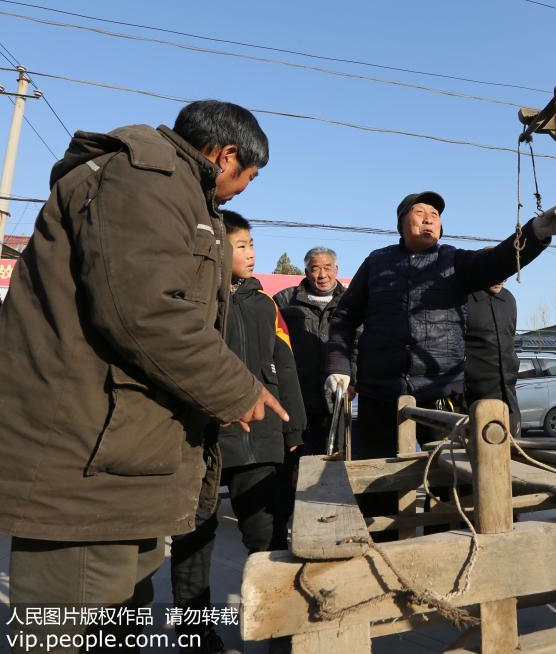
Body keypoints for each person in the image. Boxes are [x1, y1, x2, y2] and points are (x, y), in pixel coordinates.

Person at [0, 101, 287, 647]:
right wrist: (237, 388)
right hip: (88, 462)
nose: (242, 192)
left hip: (125, 455)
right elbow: (144, 310)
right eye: (248, 178)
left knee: (122, 613)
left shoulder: (174, 186)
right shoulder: (144, 176)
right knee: (71, 623)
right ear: (226, 155)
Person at [325, 191, 556, 531]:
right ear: (400, 223)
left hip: (441, 398)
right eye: (420, 212)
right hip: (380, 397)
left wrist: (534, 234)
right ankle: (382, 563)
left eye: (435, 215)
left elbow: (496, 261)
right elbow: (345, 316)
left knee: (452, 490)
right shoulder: (377, 262)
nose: (429, 218)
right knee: (377, 490)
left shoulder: (455, 262)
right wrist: (339, 366)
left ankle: (450, 563)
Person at [170, 211, 306, 652]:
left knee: (266, 539)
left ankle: (272, 625)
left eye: (251, 244)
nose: (250, 253)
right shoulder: (193, 300)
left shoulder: (265, 303)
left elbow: (284, 368)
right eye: (241, 245)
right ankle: (194, 632)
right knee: (195, 538)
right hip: (204, 439)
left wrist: (294, 427)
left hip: (263, 438)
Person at [274, 247, 352, 453]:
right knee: (295, 461)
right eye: (315, 268)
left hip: (337, 398)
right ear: (306, 272)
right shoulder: (284, 300)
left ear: (336, 269)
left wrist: (356, 381)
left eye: (328, 267)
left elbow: (361, 343)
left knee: (335, 461)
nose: (322, 275)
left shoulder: (351, 301)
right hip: (297, 397)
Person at [465, 279, 521, 436]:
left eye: (506, 274)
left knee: (513, 454)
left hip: (508, 397)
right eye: (497, 273)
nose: (501, 279)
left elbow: (510, 339)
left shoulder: (509, 299)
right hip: (474, 398)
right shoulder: (464, 299)